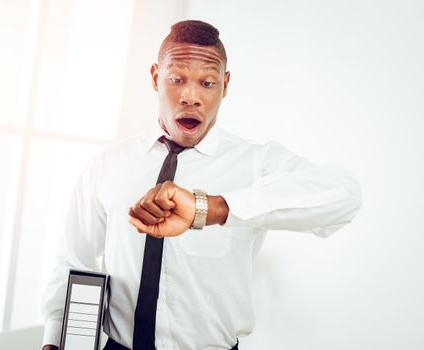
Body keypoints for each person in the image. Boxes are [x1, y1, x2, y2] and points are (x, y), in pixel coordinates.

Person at [41, 20, 362, 350]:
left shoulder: (256, 163)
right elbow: (74, 259)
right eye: (176, 79)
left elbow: (344, 194)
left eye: (207, 82)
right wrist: (54, 341)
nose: (191, 97)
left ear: (225, 85)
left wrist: (210, 208)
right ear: (155, 77)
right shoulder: (108, 163)